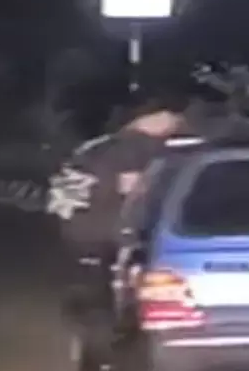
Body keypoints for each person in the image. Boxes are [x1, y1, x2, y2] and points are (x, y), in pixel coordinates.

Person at [48, 95, 187, 320]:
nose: (175, 123)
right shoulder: (123, 148)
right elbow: (135, 190)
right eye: (169, 117)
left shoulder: (96, 146)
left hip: (87, 229)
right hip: (105, 232)